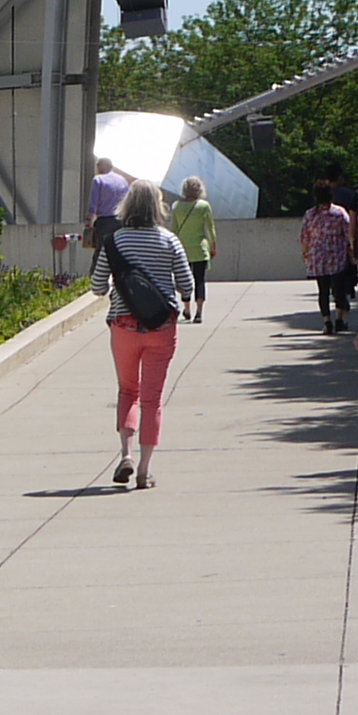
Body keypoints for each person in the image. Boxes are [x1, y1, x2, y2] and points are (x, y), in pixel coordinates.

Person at [103, 184, 195, 489]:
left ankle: (126, 454)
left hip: (123, 326)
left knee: (127, 390)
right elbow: (187, 284)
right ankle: (144, 471)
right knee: (152, 400)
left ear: (127, 205)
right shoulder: (169, 240)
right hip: (161, 326)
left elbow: (97, 285)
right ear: (158, 206)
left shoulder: (114, 241)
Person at [302, 178, 358, 333]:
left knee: (323, 290)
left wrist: (305, 253)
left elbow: (305, 237)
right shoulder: (339, 212)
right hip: (337, 256)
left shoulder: (310, 215)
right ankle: (339, 320)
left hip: (318, 257)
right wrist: (351, 252)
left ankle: (327, 321)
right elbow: (348, 233)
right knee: (339, 289)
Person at [84, 154, 129, 298]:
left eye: (98, 165)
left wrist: (89, 220)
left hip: (104, 221)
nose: (96, 168)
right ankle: (119, 278)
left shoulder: (98, 180)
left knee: (101, 251)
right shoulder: (122, 180)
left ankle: (94, 280)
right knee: (119, 250)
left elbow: (93, 203)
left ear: (103, 166)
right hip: (121, 220)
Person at [174, 176, 215, 320]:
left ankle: (187, 309)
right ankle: (199, 312)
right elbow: (210, 228)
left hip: (182, 250)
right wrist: (213, 245)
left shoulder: (176, 206)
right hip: (199, 249)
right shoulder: (204, 206)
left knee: (184, 280)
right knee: (200, 280)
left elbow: (174, 229)